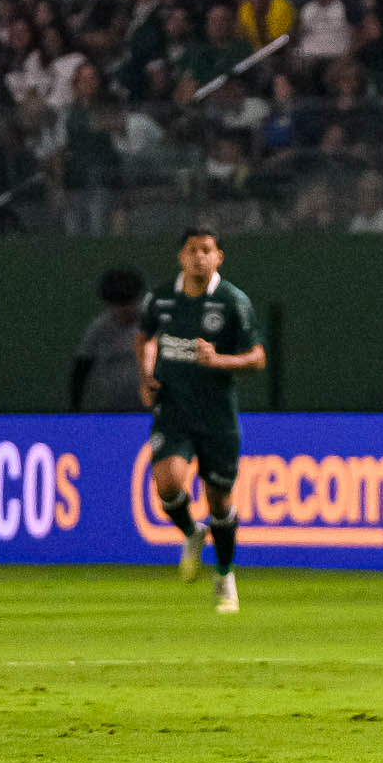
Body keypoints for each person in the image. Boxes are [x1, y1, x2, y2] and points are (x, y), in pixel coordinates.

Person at [137, 228, 267, 614]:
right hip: (174, 409)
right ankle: (193, 534)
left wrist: (220, 360)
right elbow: (146, 337)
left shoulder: (232, 302)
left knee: (220, 502)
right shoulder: (160, 298)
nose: (198, 257)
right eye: (192, 250)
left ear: (219, 257)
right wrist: (146, 375)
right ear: (181, 256)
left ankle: (225, 576)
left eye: (206, 250)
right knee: (167, 482)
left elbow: (258, 357)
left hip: (216, 416)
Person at [68, 268, 146, 412]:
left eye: (128, 303)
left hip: (150, 409)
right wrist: (75, 408)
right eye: (117, 305)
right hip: (112, 409)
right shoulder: (99, 328)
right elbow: (81, 370)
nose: (123, 310)